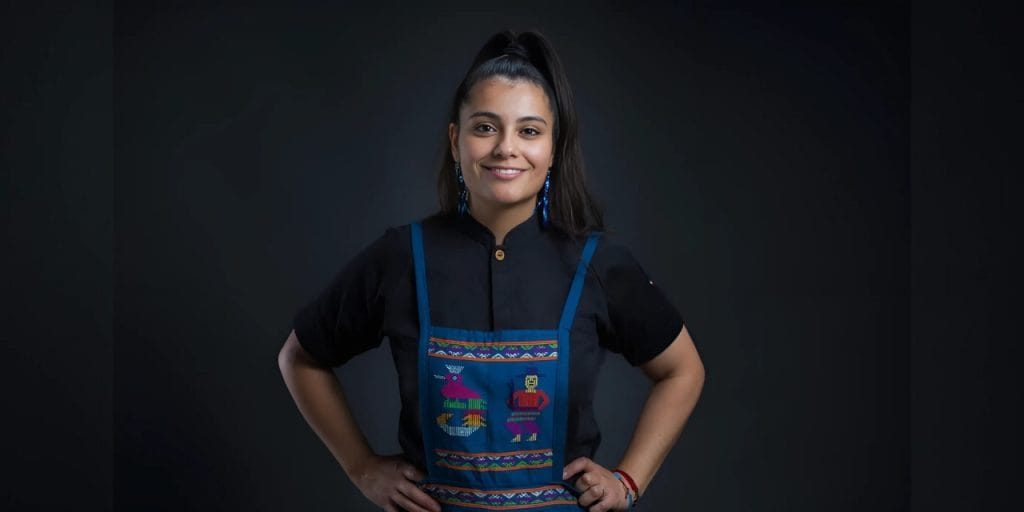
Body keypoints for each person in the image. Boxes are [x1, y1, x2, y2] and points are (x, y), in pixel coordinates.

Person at [278, 29, 705, 512]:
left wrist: (628, 481)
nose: (506, 148)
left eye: (529, 130)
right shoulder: (402, 256)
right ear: (456, 139)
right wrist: (361, 466)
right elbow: (301, 358)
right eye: (485, 127)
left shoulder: (597, 263)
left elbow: (682, 370)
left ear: (553, 146)